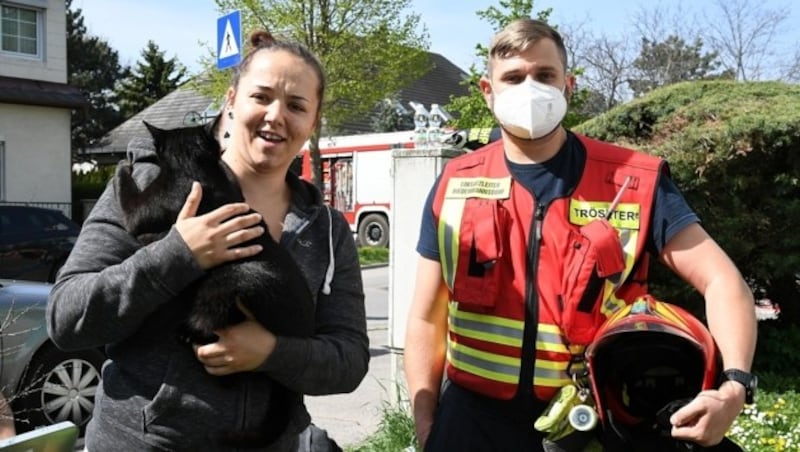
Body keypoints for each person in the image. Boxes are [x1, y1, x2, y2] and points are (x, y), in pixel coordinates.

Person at [404, 18, 757, 451]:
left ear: (567, 85)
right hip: (472, 420)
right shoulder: (454, 182)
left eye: (544, 75)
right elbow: (426, 316)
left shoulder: (635, 180)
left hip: (593, 422)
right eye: (513, 78)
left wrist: (734, 387)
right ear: (487, 91)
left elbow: (722, 281)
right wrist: (428, 427)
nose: (529, 88)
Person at [46, 30, 369, 452]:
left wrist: (271, 352)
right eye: (261, 97)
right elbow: (66, 318)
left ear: (314, 120)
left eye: (295, 105)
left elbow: (349, 361)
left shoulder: (326, 230)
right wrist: (178, 254)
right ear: (231, 101)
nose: (275, 116)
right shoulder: (148, 182)